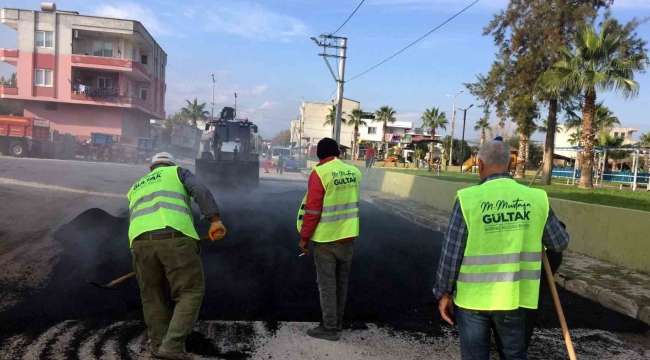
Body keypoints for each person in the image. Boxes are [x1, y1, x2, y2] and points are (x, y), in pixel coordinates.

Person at [433, 140, 569, 360]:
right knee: (514, 355)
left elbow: (452, 253)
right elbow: (559, 243)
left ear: (480, 164)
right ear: (510, 164)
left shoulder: (468, 200)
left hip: (472, 301)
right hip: (512, 297)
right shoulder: (535, 199)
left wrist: (443, 291)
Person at [127, 152, 227, 360]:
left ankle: (157, 345)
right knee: (189, 291)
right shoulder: (178, 172)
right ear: (171, 164)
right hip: (175, 239)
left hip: (139, 243)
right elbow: (199, 189)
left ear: (151, 169)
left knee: (151, 294)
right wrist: (215, 220)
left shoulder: (136, 186)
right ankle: (171, 347)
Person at [297, 138, 362, 341]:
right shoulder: (354, 172)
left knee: (326, 285)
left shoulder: (320, 173)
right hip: (348, 236)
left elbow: (313, 210)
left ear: (319, 155)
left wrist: (304, 238)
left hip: (326, 239)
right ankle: (338, 323)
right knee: (341, 283)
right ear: (338, 153)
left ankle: (329, 328)